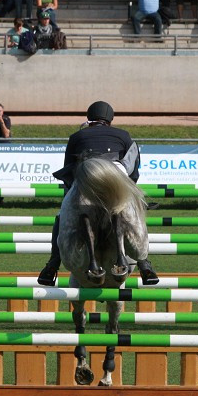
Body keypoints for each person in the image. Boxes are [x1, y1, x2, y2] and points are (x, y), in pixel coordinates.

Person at [37, 100, 157, 287]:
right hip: (117, 175)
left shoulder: (77, 137)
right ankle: (144, 264)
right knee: (134, 213)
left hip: (85, 184)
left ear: (89, 117)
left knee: (61, 217)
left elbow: (69, 169)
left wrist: (71, 199)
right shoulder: (124, 135)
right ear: (110, 119)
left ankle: (52, 265)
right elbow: (133, 173)